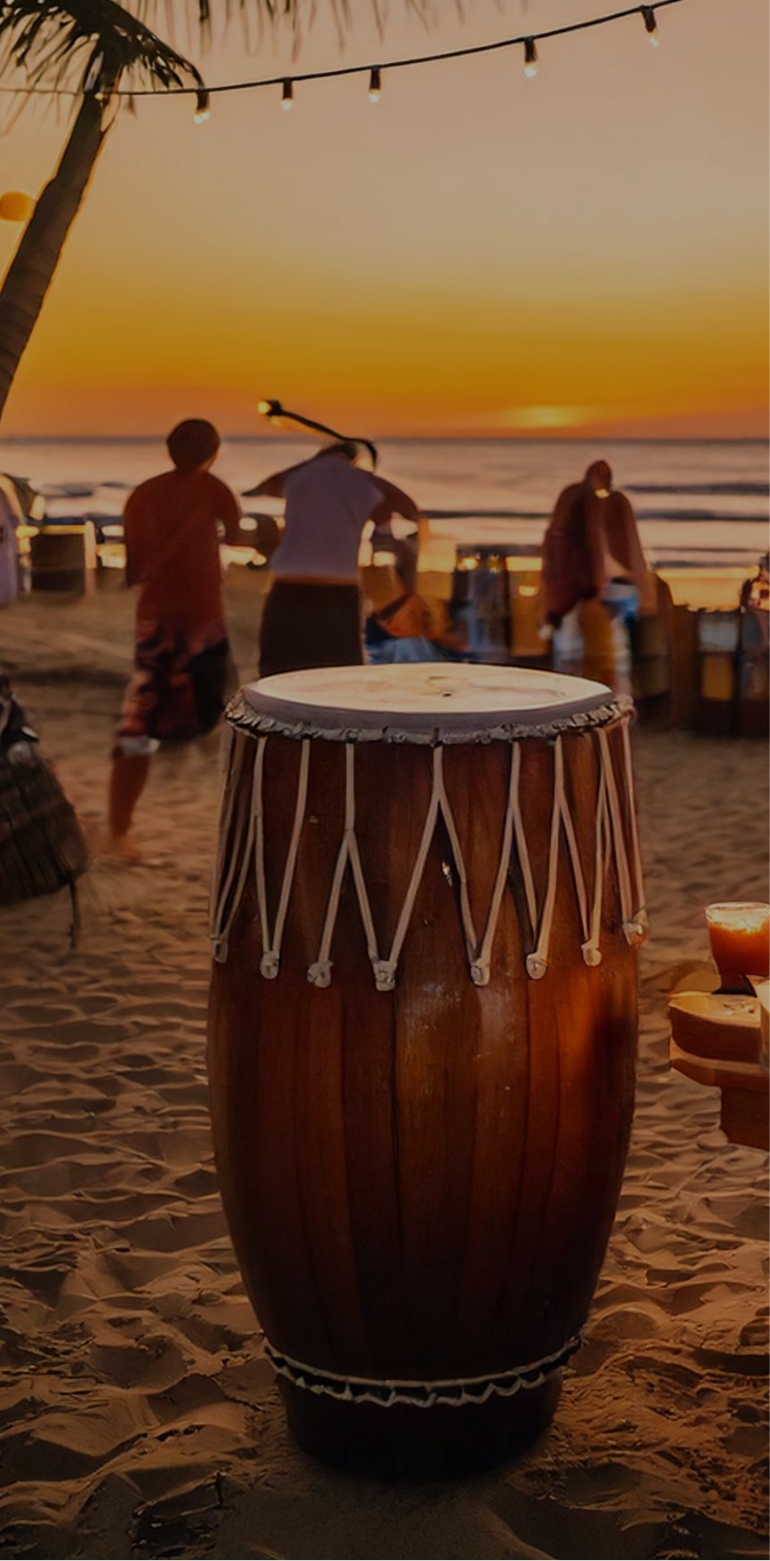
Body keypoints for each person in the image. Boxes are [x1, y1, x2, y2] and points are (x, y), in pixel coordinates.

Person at [105, 419, 248, 861]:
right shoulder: (214, 488)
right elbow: (240, 536)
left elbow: (133, 569)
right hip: (203, 616)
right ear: (213, 452)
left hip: (155, 617)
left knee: (140, 715)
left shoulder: (142, 494)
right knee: (228, 711)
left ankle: (119, 830)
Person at [244, 441, 426, 678]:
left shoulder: (299, 478)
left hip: (288, 588)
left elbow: (265, 487)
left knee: (277, 675)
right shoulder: (367, 483)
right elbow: (412, 511)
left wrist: (312, 462)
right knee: (339, 679)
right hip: (339, 592)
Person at [540, 459, 656, 686]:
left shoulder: (570, 495)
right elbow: (595, 537)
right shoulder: (589, 499)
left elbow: (555, 539)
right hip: (587, 585)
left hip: (567, 583)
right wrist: (600, 580)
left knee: (572, 646)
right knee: (603, 649)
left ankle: (580, 686)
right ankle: (604, 694)